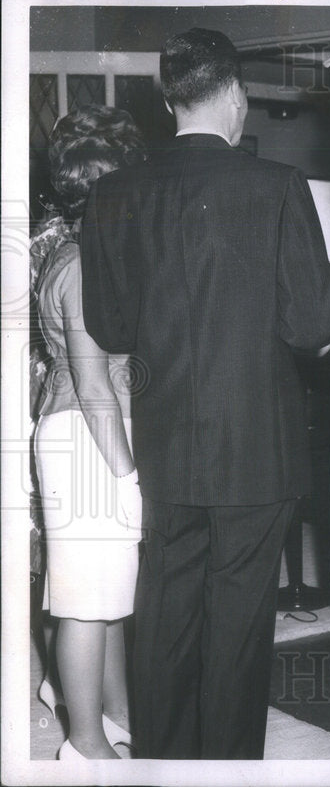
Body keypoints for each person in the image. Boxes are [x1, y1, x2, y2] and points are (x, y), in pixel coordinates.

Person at [79, 28, 330, 759]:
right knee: (237, 633)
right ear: (233, 95)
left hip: (163, 447)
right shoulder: (276, 187)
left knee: (163, 621)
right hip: (258, 450)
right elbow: (313, 323)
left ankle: (159, 770)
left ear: (168, 100)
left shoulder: (112, 193)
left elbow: (109, 323)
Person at [31, 105, 146, 760]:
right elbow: (96, 385)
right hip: (87, 437)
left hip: (86, 430)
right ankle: (82, 743)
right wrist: (128, 477)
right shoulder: (81, 264)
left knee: (105, 589)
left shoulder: (80, 252)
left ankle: (115, 712)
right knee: (83, 597)